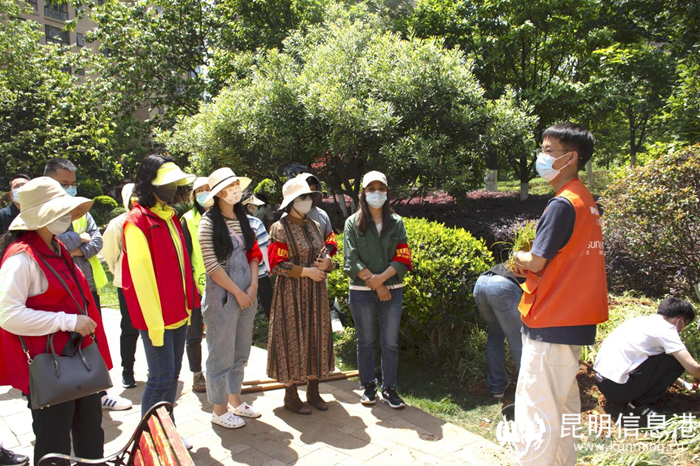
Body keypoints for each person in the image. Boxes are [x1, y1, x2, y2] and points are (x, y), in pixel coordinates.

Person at [512, 123, 608, 464]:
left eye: (549, 151)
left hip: (551, 319)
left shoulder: (562, 204)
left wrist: (519, 256)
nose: (542, 157)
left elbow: (537, 261)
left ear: (571, 158)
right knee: (563, 408)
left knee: (536, 411)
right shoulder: (585, 200)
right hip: (572, 319)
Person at [0, 177, 112, 465]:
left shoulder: (56, 246)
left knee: (91, 436)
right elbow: (8, 315)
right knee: (54, 445)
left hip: (77, 359)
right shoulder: (21, 258)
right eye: (59, 210)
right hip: (50, 367)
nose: (66, 216)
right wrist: (68, 321)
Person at [44, 158, 131, 411]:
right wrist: (77, 240)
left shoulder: (83, 212)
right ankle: (70, 396)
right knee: (65, 346)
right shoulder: (42, 216)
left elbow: (96, 243)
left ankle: (100, 393)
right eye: (64, 183)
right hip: (59, 294)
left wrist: (73, 245)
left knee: (93, 341)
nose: (70, 189)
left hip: (87, 287)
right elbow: (54, 245)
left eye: (72, 184)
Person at [122, 155, 199, 434]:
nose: (172, 188)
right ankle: (150, 439)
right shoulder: (137, 222)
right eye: (167, 183)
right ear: (149, 184)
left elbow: (183, 266)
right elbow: (141, 281)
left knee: (172, 377)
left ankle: (168, 432)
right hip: (158, 319)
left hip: (179, 313)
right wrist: (155, 326)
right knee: (159, 379)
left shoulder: (170, 217)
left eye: (175, 183)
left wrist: (189, 305)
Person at [199, 168, 263, 428]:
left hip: (248, 292)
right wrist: (237, 292)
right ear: (218, 193)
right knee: (220, 353)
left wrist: (253, 287)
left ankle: (235, 400)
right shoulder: (208, 223)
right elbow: (211, 265)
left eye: (236, 184)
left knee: (240, 351)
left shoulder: (244, 218)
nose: (235, 189)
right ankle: (219, 409)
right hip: (223, 297)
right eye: (230, 186)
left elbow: (254, 254)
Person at [267, 177, 336, 415]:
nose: (307, 201)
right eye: (302, 197)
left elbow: (326, 253)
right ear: (291, 201)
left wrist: (327, 263)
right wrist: (307, 272)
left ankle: (313, 392)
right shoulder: (279, 228)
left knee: (316, 337)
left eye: (309, 197)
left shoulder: (315, 225)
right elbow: (277, 264)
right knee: (291, 339)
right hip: (291, 293)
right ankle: (291, 395)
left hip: (316, 292)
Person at [343, 171, 412, 409]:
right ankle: (368, 386)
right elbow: (350, 259)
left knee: (390, 342)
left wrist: (382, 281)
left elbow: (403, 256)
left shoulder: (397, 222)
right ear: (363, 193)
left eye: (380, 188)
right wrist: (377, 284)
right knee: (366, 341)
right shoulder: (352, 223)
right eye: (371, 188)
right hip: (361, 291)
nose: (376, 193)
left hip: (392, 290)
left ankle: (390, 388)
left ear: (387, 191)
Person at [594, 297, 700, 423]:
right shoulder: (667, 329)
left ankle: (633, 397)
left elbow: (654, 367)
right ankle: (639, 405)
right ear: (680, 321)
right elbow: (694, 369)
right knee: (677, 360)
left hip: (603, 382)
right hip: (619, 389)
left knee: (671, 357)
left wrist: (683, 384)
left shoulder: (640, 321)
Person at [102, 183, 140, 389]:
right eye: (133, 195)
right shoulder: (118, 223)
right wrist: (118, 271)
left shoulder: (151, 220)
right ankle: (127, 369)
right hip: (128, 284)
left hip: (152, 283)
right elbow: (109, 253)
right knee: (129, 327)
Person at [473, 262, 524, 399]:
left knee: (495, 335)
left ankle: (497, 389)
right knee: (519, 340)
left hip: (480, 284)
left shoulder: (517, 258)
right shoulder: (539, 260)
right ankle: (528, 392)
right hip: (502, 286)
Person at [181, 177, 211, 393]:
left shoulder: (223, 216)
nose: (204, 193)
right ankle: (197, 374)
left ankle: (218, 371)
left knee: (219, 332)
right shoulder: (188, 220)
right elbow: (184, 256)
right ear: (193, 196)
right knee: (194, 333)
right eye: (200, 190)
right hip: (196, 285)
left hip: (222, 283)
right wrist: (191, 283)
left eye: (208, 189)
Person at [282, 173, 337, 255]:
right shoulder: (285, 219)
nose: (308, 196)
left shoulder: (322, 215)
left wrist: (326, 252)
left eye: (313, 190)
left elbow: (330, 236)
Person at [243, 191, 273, 320]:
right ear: (250, 207)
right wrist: (269, 266)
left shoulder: (230, 222)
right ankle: (273, 326)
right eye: (256, 206)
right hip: (260, 272)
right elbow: (264, 246)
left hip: (240, 274)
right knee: (268, 300)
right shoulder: (256, 223)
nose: (258, 209)